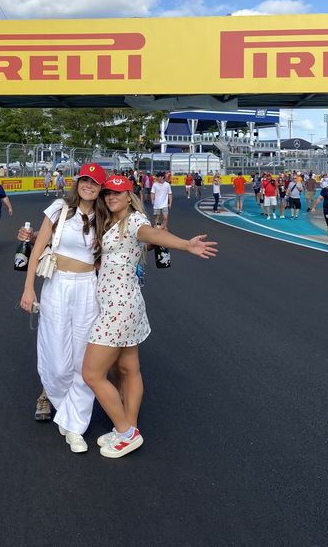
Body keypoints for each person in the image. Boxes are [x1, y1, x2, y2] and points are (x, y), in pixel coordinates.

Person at [82, 174, 217, 457]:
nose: (111, 197)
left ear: (130, 196)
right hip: (123, 302)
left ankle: (125, 431)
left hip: (120, 307)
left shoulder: (134, 221)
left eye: (117, 193)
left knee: (92, 373)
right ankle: (129, 428)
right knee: (128, 369)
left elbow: (153, 234)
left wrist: (185, 245)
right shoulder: (113, 222)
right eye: (108, 193)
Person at [19, 163, 107, 454]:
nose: (88, 186)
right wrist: (29, 288)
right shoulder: (59, 208)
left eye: (94, 183)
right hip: (57, 285)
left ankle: (75, 426)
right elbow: (36, 250)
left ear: (100, 188)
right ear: (78, 182)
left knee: (84, 360)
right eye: (85, 180)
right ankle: (61, 405)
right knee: (56, 359)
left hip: (87, 288)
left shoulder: (104, 217)